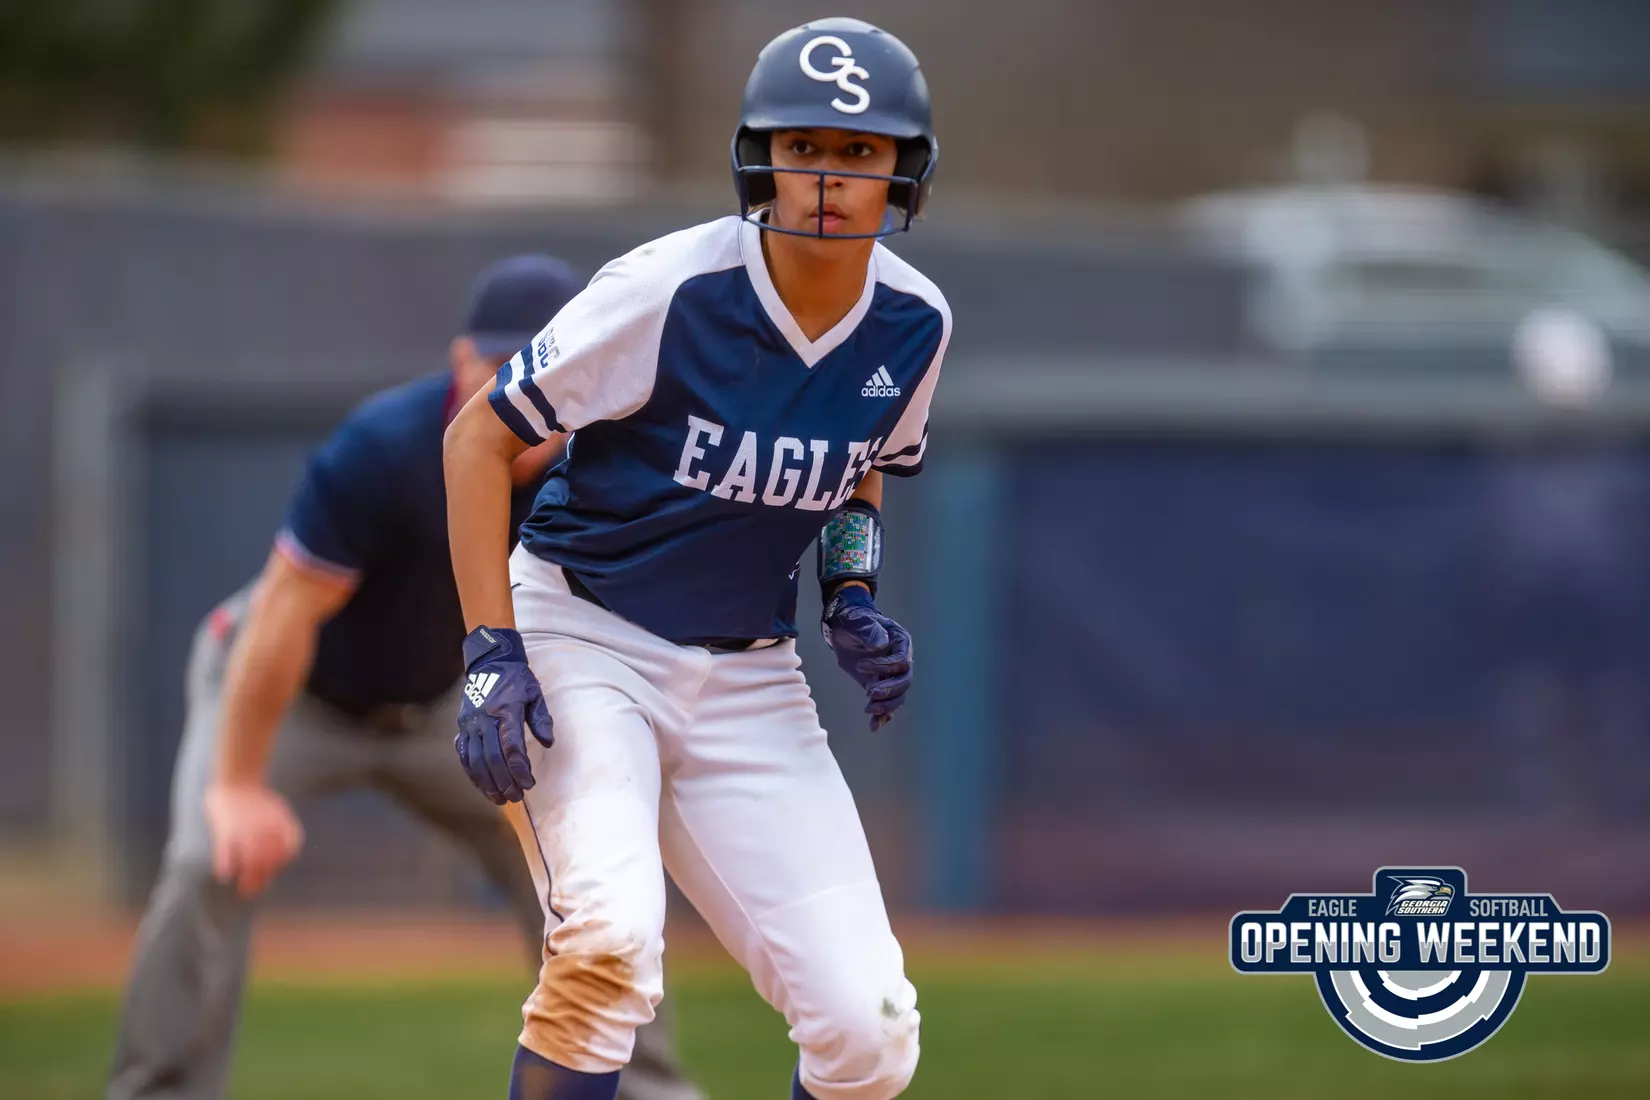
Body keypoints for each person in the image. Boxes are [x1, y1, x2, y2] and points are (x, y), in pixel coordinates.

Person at [442, 18, 949, 1100]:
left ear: (905, 170)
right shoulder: (669, 289)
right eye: (802, 143)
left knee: (872, 1030)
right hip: (587, 630)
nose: (826, 174)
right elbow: (478, 436)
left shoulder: (912, 324)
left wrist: (850, 592)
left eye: (860, 151)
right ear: (757, 156)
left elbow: (865, 464)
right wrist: (492, 646)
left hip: (750, 672)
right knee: (609, 944)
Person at [107, 256, 702, 1100]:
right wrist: (238, 783)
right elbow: (283, 616)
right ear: (460, 362)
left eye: (543, 359)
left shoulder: (601, 468)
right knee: (211, 858)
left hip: (442, 709)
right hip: (293, 696)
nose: (518, 381)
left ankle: (642, 1091)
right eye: (498, 360)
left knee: (590, 872)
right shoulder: (385, 449)